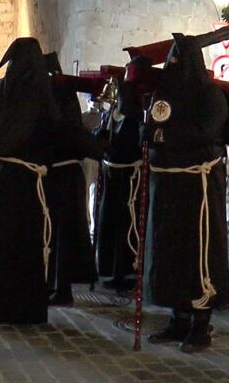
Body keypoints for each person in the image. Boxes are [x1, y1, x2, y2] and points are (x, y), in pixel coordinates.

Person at [143, 34, 228, 353]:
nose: (174, 66)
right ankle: (178, 318)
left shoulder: (211, 97)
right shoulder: (162, 97)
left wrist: (165, 135)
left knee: (199, 253)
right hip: (167, 186)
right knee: (170, 254)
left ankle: (200, 324)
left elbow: (204, 132)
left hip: (198, 188)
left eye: (180, 59)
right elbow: (149, 131)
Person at [0, 37, 60, 324]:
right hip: (24, 180)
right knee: (23, 247)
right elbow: (53, 133)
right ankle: (24, 310)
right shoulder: (36, 93)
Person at [43, 52, 100, 306]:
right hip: (57, 174)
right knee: (54, 235)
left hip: (62, 176)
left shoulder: (59, 95)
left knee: (62, 236)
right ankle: (53, 285)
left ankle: (61, 288)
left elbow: (67, 133)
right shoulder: (56, 94)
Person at [96, 60, 147, 292]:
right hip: (113, 173)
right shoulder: (114, 111)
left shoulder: (136, 113)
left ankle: (126, 272)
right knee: (110, 221)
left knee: (127, 225)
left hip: (129, 175)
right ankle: (110, 268)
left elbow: (135, 142)